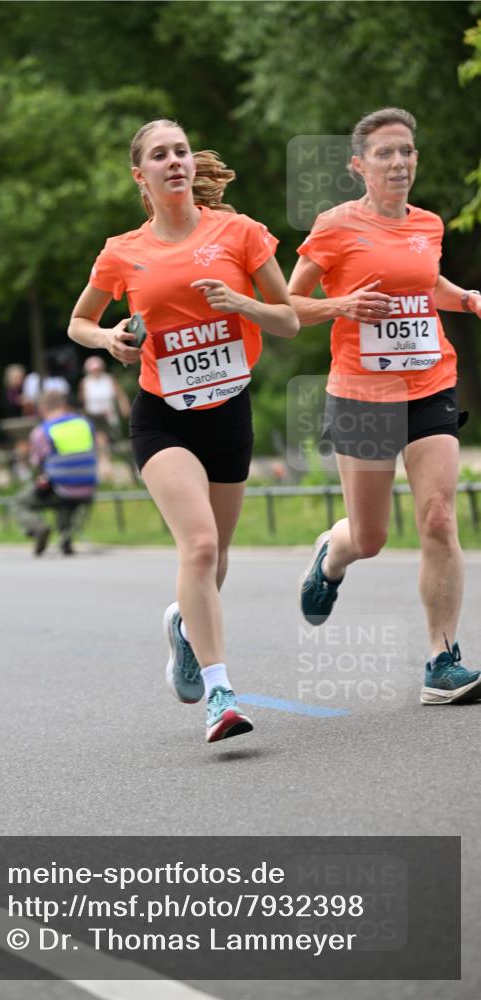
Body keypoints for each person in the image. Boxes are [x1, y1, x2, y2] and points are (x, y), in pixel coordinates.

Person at [68, 119, 299, 743]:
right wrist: (110, 337)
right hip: (161, 414)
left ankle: (184, 629)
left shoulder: (241, 232)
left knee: (216, 559)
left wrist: (241, 303)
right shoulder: (123, 250)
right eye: (159, 156)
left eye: (180, 152)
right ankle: (221, 694)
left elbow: (288, 321)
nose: (174, 161)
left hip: (230, 410)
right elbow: (79, 322)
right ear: (140, 176)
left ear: (193, 166)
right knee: (198, 547)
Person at [288, 107, 481, 706]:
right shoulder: (334, 227)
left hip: (429, 383)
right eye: (384, 154)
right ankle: (332, 556)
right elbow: (291, 303)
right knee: (370, 537)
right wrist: (341, 304)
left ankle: (441, 661)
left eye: (406, 151)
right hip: (362, 393)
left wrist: (470, 298)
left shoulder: (428, 224)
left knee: (439, 518)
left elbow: (429, 284)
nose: (399, 162)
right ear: (358, 166)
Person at [13, 390, 97, 556]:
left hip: (61, 488)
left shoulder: (43, 431)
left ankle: (37, 527)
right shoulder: (85, 424)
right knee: (64, 493)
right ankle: (66, 542)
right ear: (64, 405)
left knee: (20, 502)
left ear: (43, 409)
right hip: (89, 488)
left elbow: (37, 464)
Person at [78, 355, 131, 474]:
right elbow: (82, 401)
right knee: (100, 438)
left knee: (111, 436)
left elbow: (120, 395)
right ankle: (104, 461)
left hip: (109, 413)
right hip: (94, 414)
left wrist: (124, 407)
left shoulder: (109, 379)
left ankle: (109, 459)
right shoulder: (85, 382)